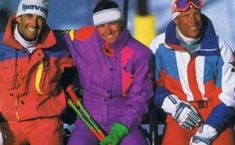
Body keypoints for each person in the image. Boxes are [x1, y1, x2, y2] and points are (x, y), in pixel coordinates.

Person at [64, 0, 154, 145]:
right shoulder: (84, 42)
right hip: (88, 119)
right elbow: (55, 41)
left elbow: (140, 98)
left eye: (112, 23)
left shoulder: (140, 54)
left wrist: (120, 130)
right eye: (101, 26)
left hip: (125, 120)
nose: (107, 30)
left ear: (121, 22)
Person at [149, 0, 235, 145]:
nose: (193, 21)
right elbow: (148, 83)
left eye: (196, 14)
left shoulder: (221, 48)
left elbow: (230, 93)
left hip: (215, 116)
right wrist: (173, 106)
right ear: (176, 19)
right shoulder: (159, 46)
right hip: (180, 115)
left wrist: (208, 132)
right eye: (186, 16)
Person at [0, 0, 74, 144]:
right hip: (7, 123)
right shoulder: (2, 47)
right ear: (19, 17)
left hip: (44, 122)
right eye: (29, 15)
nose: (34, 24)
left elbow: (91, 49)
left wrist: (75, 84)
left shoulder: (59, 46)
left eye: (39, 17)